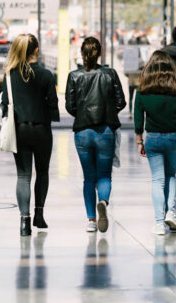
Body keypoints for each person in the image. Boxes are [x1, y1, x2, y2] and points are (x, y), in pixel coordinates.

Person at [0, 34, 60, 236]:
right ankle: (39, 215)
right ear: (36, 50)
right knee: (42, 172)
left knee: (23, 176)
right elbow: (53, 106)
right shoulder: (46, 75)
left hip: (20, 129)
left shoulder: (9, 75)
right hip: (42, 129)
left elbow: (4, 105)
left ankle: (24, 221)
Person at [65, 37, 126, 233]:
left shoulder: (74, 76)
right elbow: (121, 102)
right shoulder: (109, 74)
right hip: (105, 131)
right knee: (104, 175)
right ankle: (104, 202)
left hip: (82, 131)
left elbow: (70, 105)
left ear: (82, 53)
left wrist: (83, 113)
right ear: (99, 53)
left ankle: (91, 220)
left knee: (88, 178)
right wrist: (107, 112)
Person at [134, 50, 176, 235]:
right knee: (171, 176)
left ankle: (159, 223)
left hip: (153, 138)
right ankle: (171, 212)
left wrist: (139, 140)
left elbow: (139, 119)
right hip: (173, 138)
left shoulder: (143, 91)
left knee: (157, 179)